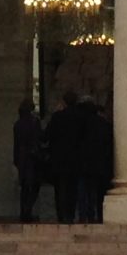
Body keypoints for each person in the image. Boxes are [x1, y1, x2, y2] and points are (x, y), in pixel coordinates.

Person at [45, 89, 83, 223]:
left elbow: (47, 135)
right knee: (72, 189)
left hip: (59, 158)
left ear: (64, 102)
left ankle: (61, 215)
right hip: (75, 158)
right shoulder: (80, 117)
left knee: (60, 188)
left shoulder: (57, 117)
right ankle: (70, 214)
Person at [78, 95, 114, 223]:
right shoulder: (105, 125)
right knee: (98, 192)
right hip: (100, 164)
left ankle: (84, 215)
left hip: (83, 163)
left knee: (84, 191)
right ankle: (98, 216)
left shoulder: (81, 124)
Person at [12, 98, 45, 221]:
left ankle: (24, 211)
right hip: (33, 158)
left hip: (22, 158)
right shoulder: (34, 122)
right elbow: (40, 137)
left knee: (25, 187)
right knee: (34, 185)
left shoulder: (18, 124)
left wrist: (15, 160)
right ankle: (27, 210)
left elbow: (16, 144)